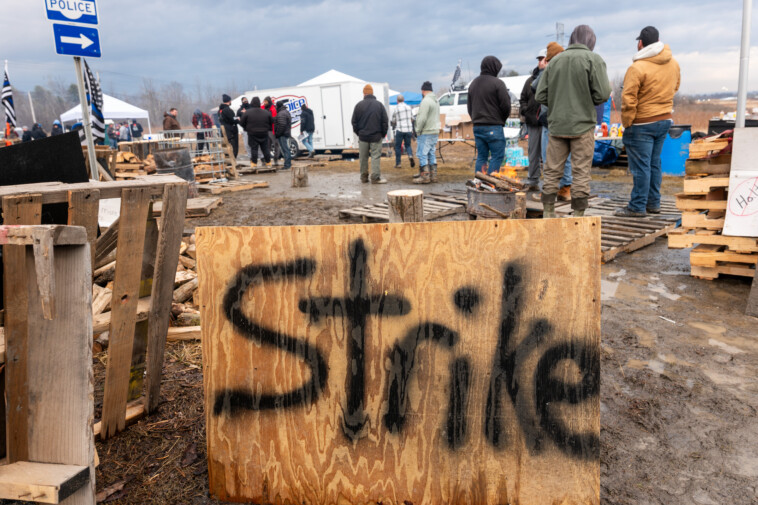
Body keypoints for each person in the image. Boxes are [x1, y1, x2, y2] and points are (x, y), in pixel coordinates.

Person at [536, 25, 612, 218]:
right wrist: (587, 100)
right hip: (583, 125)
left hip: (557, 125)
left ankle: (548, 212)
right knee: (580, 172)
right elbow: (603, 94)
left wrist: (557, 105)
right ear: (591, 42)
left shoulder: (554, 62)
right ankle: (577, 215)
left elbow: (540, 94)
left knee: (552, 170)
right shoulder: (594, 60)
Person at [616, 26, 680, 217]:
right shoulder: (674, 63)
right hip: (664, 120)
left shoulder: (637, 67)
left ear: (640, 43)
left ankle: (637, 207)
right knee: (654, 164)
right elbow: (675, 86)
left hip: (641, 124)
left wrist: (627, 123)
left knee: (641, 167)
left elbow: (628, 100)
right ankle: (654, 203)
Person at [532, 42, 574, 202]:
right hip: (568, 119)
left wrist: (544, 69)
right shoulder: (571, 68)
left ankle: (549, 191)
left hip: (550, 119)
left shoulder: (550, 68)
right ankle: (566, 189)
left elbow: (535, 87)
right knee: (566, 156)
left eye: (545, 58)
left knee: (548, 156)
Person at [467, 56, 511, 175]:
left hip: (477, 126)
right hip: (493, 126)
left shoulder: (473, 84)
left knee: (482, 156)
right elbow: (506, 106)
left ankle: (478, 183)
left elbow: (469, 107)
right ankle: (491, 184)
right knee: (497, 156)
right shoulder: (498, 83)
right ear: (494, 68)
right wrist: (501, 120)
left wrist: (476, 120)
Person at [351, 84, 388, 184]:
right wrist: (383, 134)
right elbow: (385, 121)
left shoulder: (358, 105)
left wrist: (359, 133)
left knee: (363, 158)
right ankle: (375, 178)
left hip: (363, 136)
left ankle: (364, 177)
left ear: (364, 93)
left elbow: (354, 122)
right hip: (376, 136)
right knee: (375, 157)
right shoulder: (379, 105)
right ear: (372, 93)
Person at [521, 50, 546, 191]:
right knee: (533, 153)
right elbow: (523, 98)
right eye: (539, 59)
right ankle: (533, 181)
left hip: (547, 122)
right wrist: (526, 111)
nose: (540, 62)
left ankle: (550, 183)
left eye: (543, 59)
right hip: (533, 122)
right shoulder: (530, 81)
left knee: (548, 154)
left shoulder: (552, 77)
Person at [413, 82, 441, 184]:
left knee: (422, 154)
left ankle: (425, 176)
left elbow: (422, 118)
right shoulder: (436, 101)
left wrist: (417, 130)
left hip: (426, 131)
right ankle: (433, 176)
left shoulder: (425, 101)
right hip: (434, 131)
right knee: (431, 153)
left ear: (423, 91)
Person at [240, 97, 273, 167]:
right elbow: (271, 122)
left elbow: (241, 123)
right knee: (265, 148)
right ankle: (268, 162)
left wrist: (247, 129)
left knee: (254, 149)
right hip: (264, 133)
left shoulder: (247, 113)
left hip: (252, 133)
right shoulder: (266, 112)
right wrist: (267, 128)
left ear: (252, 103)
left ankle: (254, 164)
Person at [391, 94, 415, 170]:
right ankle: (410, 155)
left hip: (400, 129)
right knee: (408, 145)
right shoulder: (409, 107)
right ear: (404, 100)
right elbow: (412, 118)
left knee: (398, 146)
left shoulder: (396, 109)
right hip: (408, 130)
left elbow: (393, 120)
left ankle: (398, 163)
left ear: (397, 101)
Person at [219, 94, 239, 159]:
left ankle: (228, 161)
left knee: (226, 148)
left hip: (224, 131)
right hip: (231, 132)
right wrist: (238, 119)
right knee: (234, 148)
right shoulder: (227, 110)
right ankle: (232, 162)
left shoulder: (220, 110)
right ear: (229, 101)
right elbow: (232, 119)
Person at [274, 100, 292, 170]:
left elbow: (282, 125)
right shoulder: (286, 112)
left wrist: (278, 134)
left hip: (282, 134)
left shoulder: (281, 113)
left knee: (285, 150)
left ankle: (287, 165)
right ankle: (288, 164)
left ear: (278, 106)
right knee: (286, 149)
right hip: (286, 133)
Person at [262, 97, 279, 166]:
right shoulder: (262, 108)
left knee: (276, 145)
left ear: (269, 101)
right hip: (265, 130)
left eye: (265, 101)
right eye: (264, 101)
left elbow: (275, 119)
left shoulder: (273, 109)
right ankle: (267, 160)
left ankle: (276, 159)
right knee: (266, 147)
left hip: (272, 130)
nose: (264, 103)